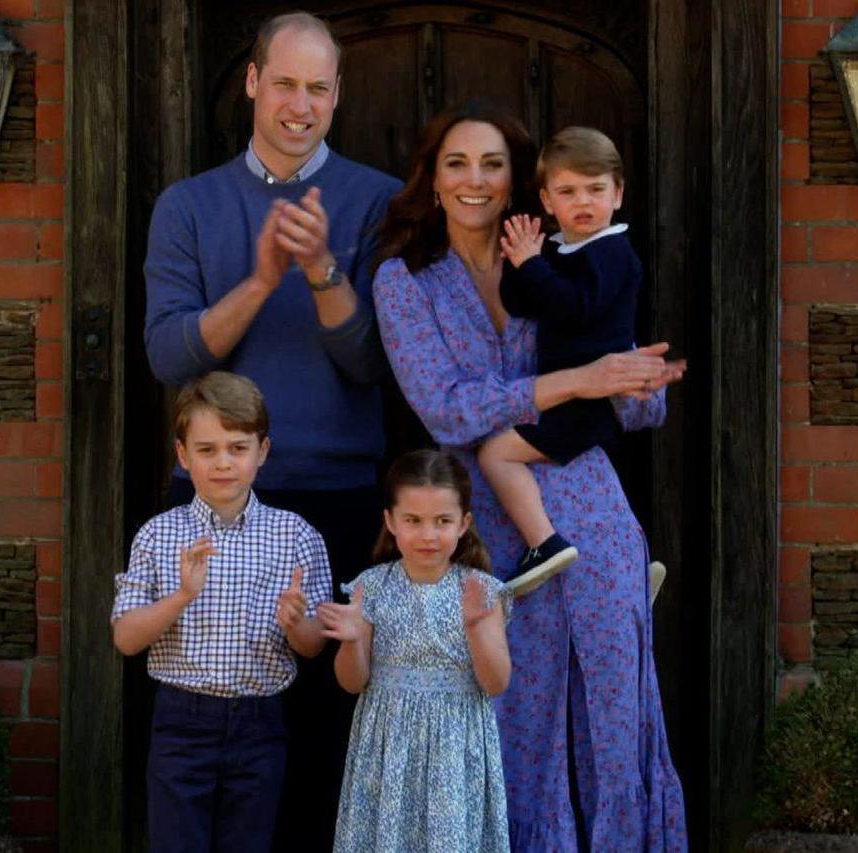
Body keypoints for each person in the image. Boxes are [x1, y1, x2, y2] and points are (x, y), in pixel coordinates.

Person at [371, 102, 689, 851]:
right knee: (512, 714)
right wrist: (577, 381)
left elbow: (636, 401)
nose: (475, 180)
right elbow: (447, 413)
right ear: (434, 179)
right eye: (457, 163)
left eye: (492, 164)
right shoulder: (404, 280)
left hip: (591, 507)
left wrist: (640, 381)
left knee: (613, 712)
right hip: (484, 527)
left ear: (522, 183)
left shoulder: (567, 253)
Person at [142, 11, 401, 848]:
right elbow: (167, 354)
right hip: (216, 499)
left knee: (326, 727)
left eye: (317, 88)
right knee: (215, 723)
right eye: (283, 83)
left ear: (337, 95)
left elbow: (373, 364)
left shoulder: (377, 202)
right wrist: (259, 280)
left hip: (337, 497)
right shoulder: (189, 205)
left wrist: (323, 269)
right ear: (252, 82)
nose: (300, 104)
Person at [110, 372, 331, 852]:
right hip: (181, 723)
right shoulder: (158, 535)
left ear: (263, 451)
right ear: (183, 455)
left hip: (260, 723)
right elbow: (126, 639)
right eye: (207, 450)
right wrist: (180, 597)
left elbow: (314, 647)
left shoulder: (296, 536)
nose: (224, 463)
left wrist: (297, 623)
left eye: (237, 447)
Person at [318, 449, 512, 852]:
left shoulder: (480, 590)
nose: (428, 535)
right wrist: (352, 640)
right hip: (388, 744)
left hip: (455, 745)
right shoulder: (370, 587)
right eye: (413, 521)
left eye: (442, 521)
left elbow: (496, 682)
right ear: (390, 521)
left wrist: (477, 627)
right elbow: (352, 683)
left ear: (464, 524)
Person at [479, 126, 643, 596]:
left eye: (595, 190)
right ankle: (620, 568)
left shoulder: (613, 252)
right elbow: (521, 303)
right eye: (568, 192)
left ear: (618, 193)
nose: (583, 202)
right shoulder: (561, 249)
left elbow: (575, 308)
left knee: (496, 453)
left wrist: (534, 265)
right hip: (565, 394)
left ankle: (544, 544)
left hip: (587, 402)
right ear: (548, 201)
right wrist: (520, 261)